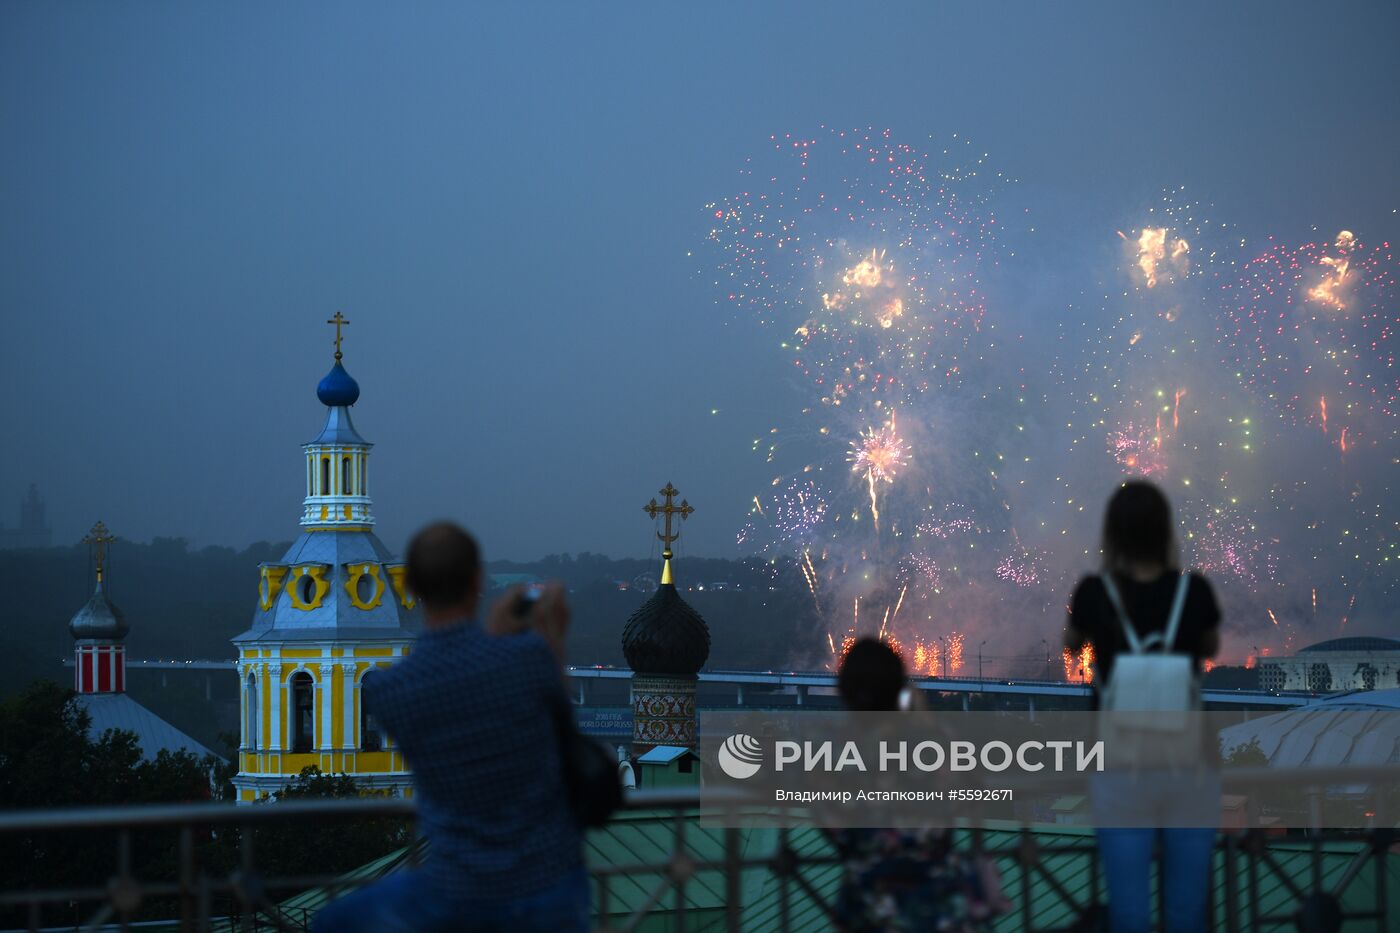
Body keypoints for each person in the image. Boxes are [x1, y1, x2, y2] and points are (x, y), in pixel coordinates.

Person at [311, 522, 588, 933]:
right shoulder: (527, 658)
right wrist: (544, 635)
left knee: (331, 922)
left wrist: (493, 637)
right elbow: (559, 716)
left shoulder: (392, 690)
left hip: (459, 890)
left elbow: (458, 689)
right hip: (551, 885)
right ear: (478, 580)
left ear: (410, 586)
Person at [1063, 481, 1221, 933]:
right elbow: (1209, 645)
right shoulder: (1194, 592)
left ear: (1112, 534)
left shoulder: (1094, 592)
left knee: (1130, 912)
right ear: (1164, 531)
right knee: (1187, 913)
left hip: (1120, 766)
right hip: (1189, 763)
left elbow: (1071, 646)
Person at [826, 638, 993, 933]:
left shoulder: (834, 751)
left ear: (845, 692)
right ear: (901, 687)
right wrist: (924, 719)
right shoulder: (938, 741)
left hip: (872, 908)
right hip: (946, 906)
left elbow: (835, 829)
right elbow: (973, 787)